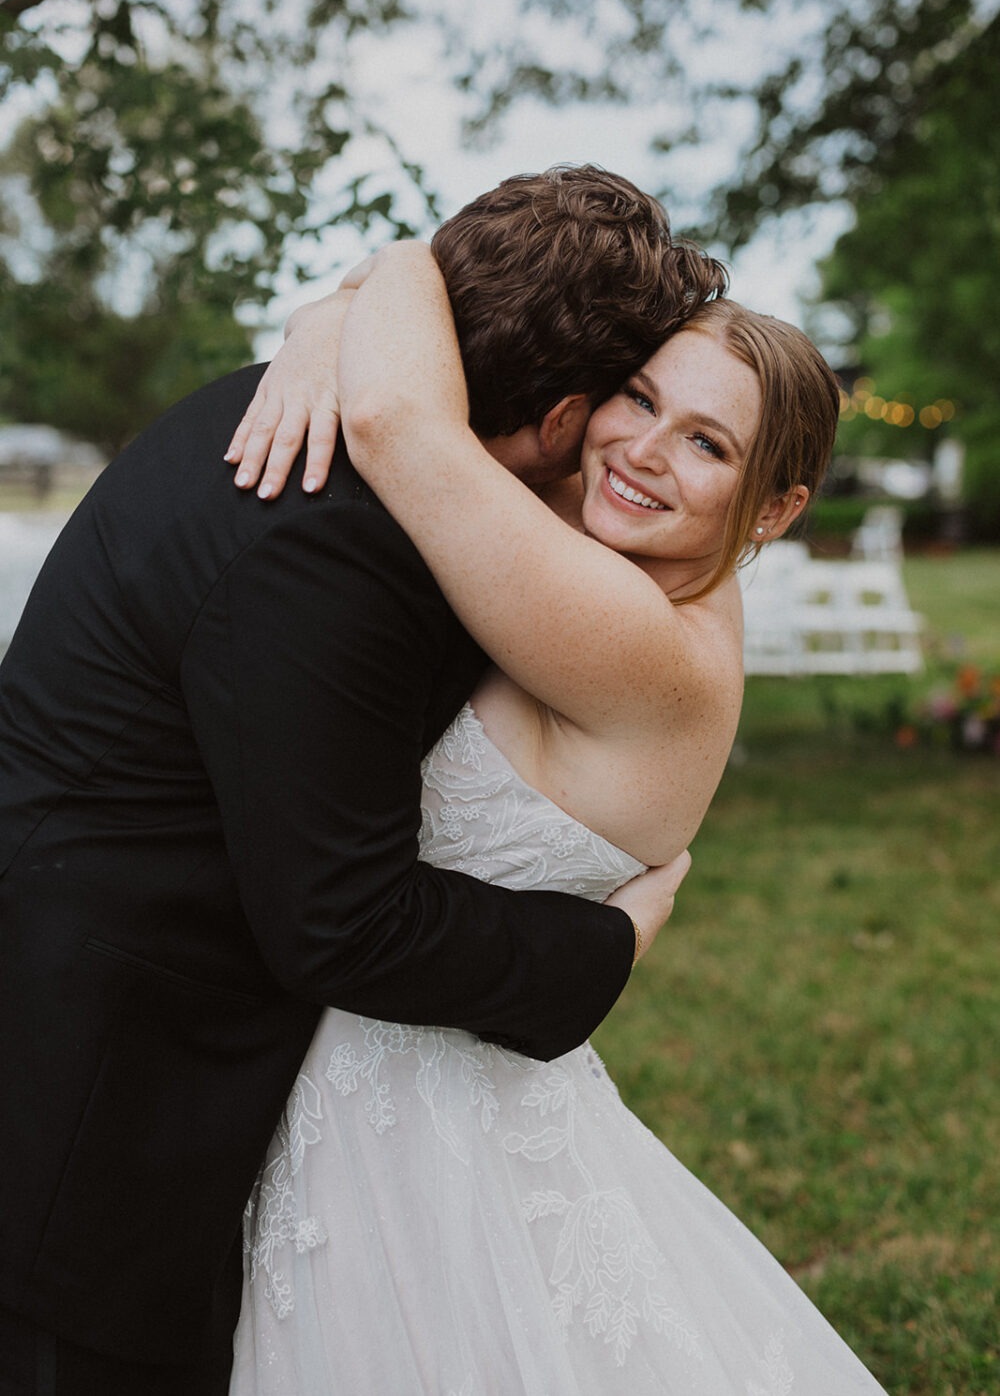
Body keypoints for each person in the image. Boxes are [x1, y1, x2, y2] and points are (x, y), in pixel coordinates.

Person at [0, 167, 717, 1395]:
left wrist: (340, 310)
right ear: (557, 422)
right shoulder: (332, 537)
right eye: (624, 406)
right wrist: (604, 946)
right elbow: (342, 918)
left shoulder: (327, 419)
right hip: (93, 1105)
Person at [222, 243, 889, 1393]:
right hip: (397, 1074)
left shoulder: (634, 637)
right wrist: (322, 323)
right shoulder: (623, 559)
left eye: (707, 443)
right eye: (640, 396)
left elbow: (393, 415)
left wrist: (373, 283)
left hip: (407, 1133)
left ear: (775, 507)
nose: (640, 449)